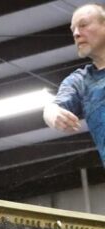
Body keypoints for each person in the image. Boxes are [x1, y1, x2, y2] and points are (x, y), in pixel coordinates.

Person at [43, 3, 105, 164]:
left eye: (83, 25)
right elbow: (54, 107)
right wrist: (52, 112)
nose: (76, 34)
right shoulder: (81, 81)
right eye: (73, 30)